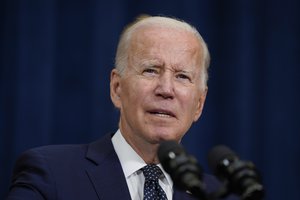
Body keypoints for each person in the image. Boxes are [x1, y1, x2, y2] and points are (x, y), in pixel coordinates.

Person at [6, 15, 238, 200]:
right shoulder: (51, 173)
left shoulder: (217, 194)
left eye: (182, 76)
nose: (166, 89)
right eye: (151, 70)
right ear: (117, 88)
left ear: (199, 104)